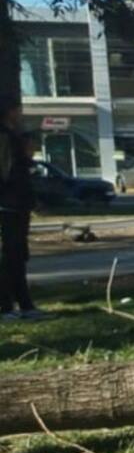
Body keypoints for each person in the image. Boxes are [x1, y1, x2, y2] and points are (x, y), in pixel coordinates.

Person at [0, 103, 39, 319]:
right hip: (9, 203)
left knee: (18, 254)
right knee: (11, 254)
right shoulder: (5, 137)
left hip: (18, 202)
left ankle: (25, 304)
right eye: (17, 110)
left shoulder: (13, 136)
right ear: (8, 112)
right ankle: (6, 305)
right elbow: (7, 170)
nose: (20, 114)